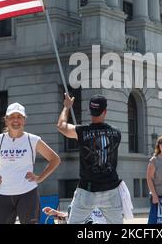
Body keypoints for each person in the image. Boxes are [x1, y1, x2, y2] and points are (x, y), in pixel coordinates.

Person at [0, 102, 61, 224]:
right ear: (6, 121)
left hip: (27, 194)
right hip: (2, 194)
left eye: (19, 117)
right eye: (12, 117)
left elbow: (55, 159)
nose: (15, 120)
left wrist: (40, 178)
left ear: (24, 120)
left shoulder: (32, 140)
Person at [57, 93, 124, 224]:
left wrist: (67, 107)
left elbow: (61, 126)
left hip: (87, 190)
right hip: (111, 189)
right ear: (105, 111)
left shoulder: (82, 131)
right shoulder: (117, 133)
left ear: (90, 111)